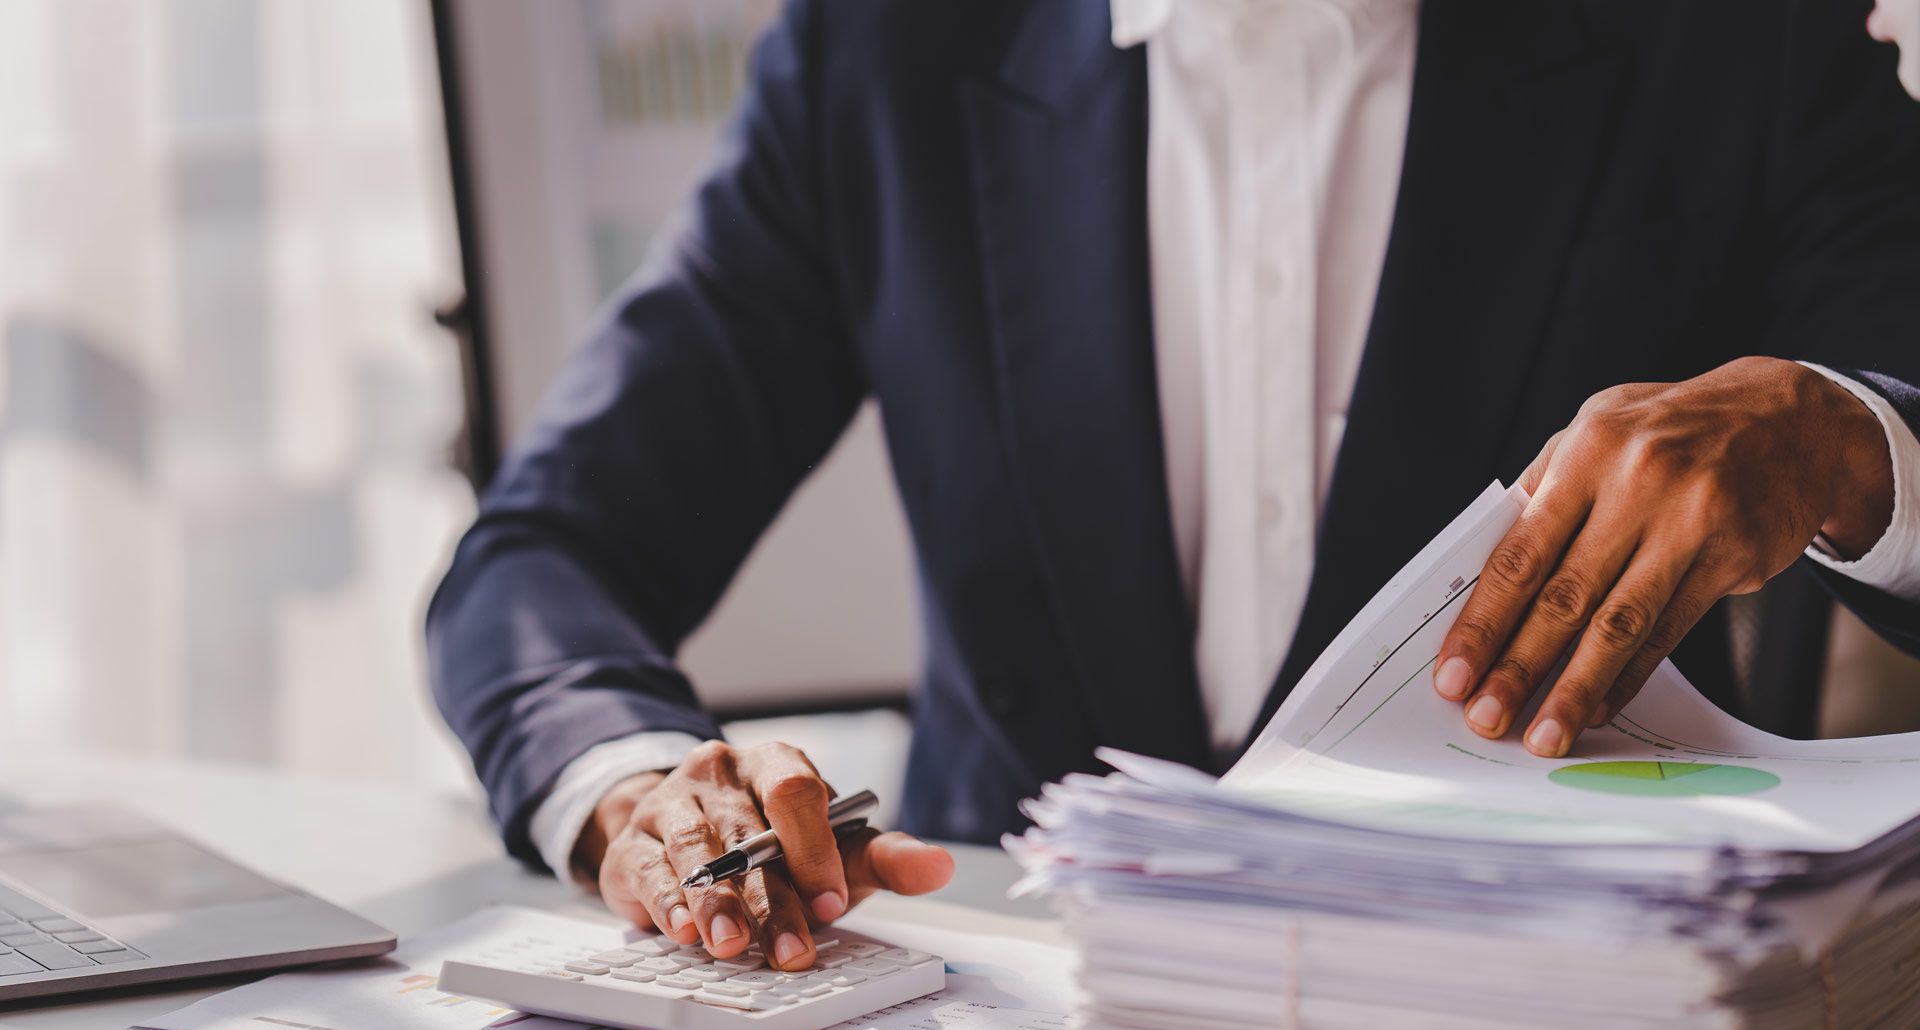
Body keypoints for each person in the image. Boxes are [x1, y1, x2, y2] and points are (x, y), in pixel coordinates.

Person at [428, 0, 1920, 970]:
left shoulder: (1737, 37)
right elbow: (547, 550)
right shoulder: (881, 50)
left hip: (1566, 1009)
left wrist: (1846, 440)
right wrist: (632, 785)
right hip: (995, 1001)